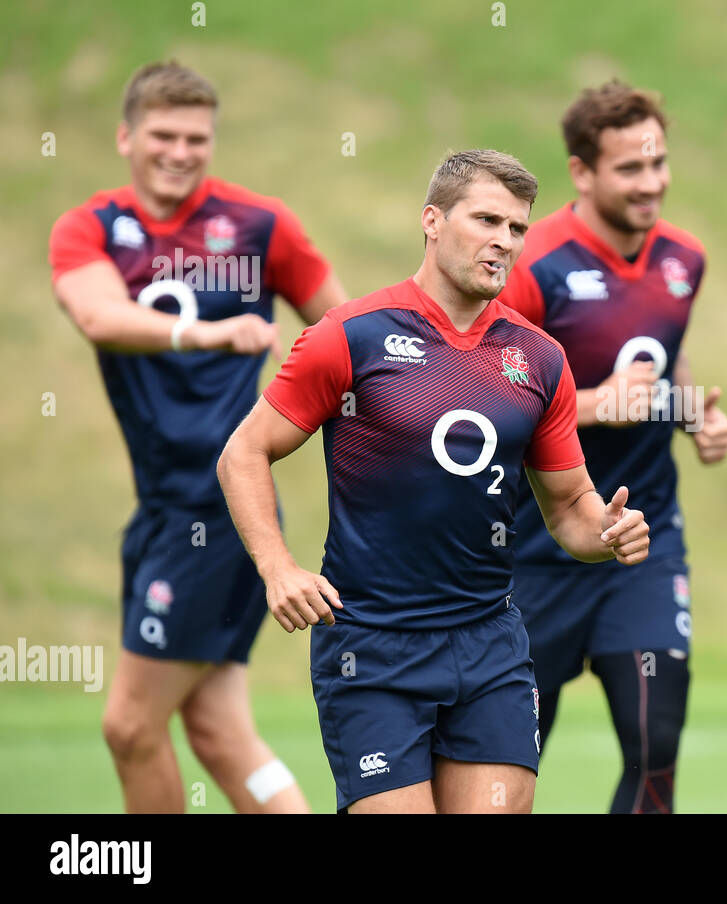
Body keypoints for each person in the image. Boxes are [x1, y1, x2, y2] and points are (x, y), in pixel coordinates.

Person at [217, 149, 651, 814]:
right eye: (486, 220)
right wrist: (278, 568)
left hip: (490, 644)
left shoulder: (539, 359)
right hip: (372, 649)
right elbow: (243, 453)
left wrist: (608, 531)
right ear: (432, 221)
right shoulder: (351, 337)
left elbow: (568, 508)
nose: (503, 241)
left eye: (516, 229)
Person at [49, 61, 347, 813]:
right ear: (126, 137)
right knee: (217, 732)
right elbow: (98, 317)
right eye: (163, 135)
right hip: (158, 511)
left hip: (217, 511)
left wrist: (315, 385)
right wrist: (203, 334)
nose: (180, 151)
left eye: (197, 138)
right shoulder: (90, 229)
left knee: (129, 726)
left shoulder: (259, 224)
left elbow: (347, 333)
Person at [494, 80, 727, 813]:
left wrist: (695, 416)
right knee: (505, 770)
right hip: (538, 552)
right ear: (582, 172)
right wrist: (597, 404)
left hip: (641, 543)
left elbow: (666, 358)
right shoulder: (534, 265)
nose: (651, 183)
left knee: (656, 749)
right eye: (630, 168)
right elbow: (486, 404)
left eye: (658, 163)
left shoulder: (683, 259)